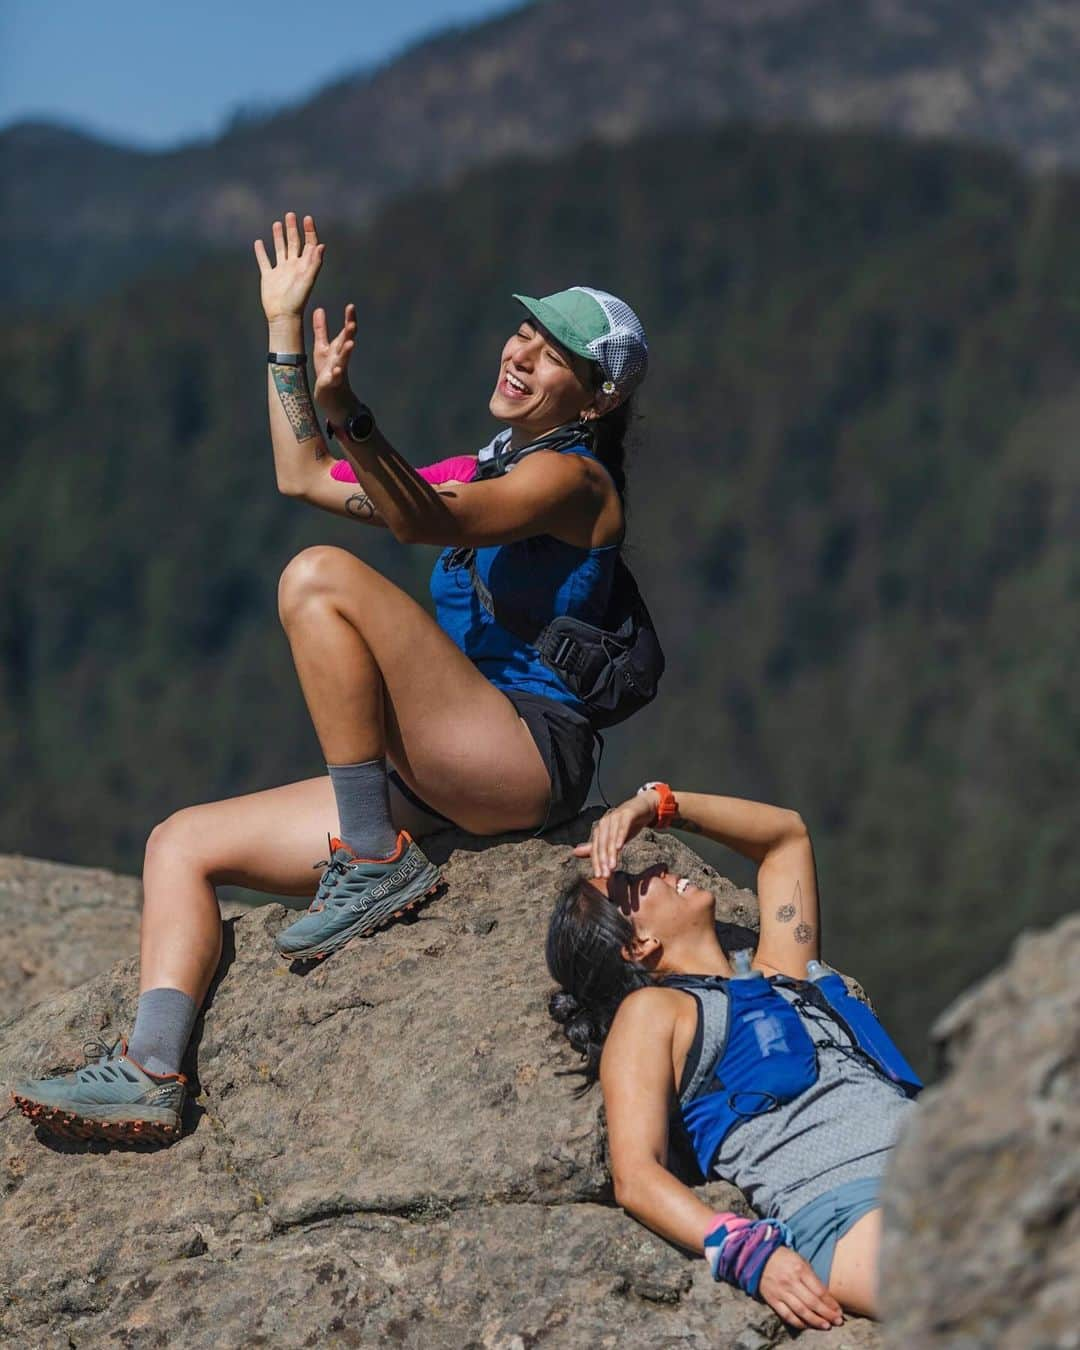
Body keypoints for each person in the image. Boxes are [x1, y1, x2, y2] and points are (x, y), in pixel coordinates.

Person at [11, 211, 650, 1146]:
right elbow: (304, 475)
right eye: (525, 331)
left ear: (593, 400)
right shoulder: (486, 466)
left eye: (554, 352)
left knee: (317, 577)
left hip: (522, 755)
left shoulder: (576, 480)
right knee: (179, 843)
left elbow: (429, 523)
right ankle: (151, 1068)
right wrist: (283, 331)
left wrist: (354, 413)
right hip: (442, 765)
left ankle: (371, 859)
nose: (522, 352)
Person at [545, 782, 922, 1327]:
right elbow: (635, 1174)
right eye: (630, 884)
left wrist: (656, 807)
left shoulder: (782, 977)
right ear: (638, 944)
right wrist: (742, 1250)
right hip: (846, 1205)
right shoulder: (653, 1014)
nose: (653, 869)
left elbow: (784, 839)